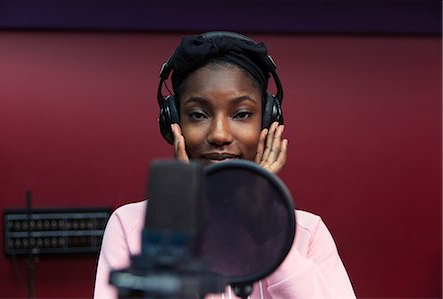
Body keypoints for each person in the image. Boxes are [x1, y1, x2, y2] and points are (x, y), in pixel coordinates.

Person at [93, 31, 356, 298]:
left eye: (242, 114)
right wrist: (179, 223)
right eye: (198, 114)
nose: (219, 134)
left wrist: (267, 234)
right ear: (173, 124)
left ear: (267, 121)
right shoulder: (129, 226)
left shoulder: (306, 233)